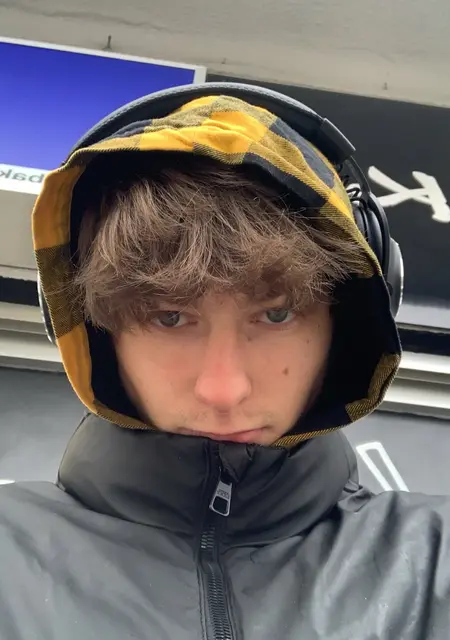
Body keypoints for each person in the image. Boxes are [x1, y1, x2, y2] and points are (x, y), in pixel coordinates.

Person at [1, 83, 449, 639]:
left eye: (277, 315)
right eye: (170, 318)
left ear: (343, 328)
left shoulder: (436, 564)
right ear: (97, 334)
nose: (223, 389)